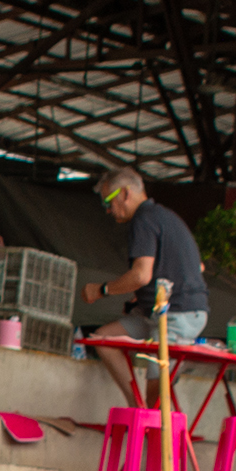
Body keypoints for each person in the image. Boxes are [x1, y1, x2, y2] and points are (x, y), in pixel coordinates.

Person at [84, 166, 208, 405]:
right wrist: (141, 298)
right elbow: (196, 267)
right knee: (103, 339)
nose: (108, 210)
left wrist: (102, 290)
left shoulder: (144, 219)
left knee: (157, 393)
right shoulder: (163, 217)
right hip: (158, 312)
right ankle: (136, 406)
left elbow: (141, 275)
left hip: (177, 315)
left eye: (108, 202)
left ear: (126, 194)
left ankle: (150, 420)